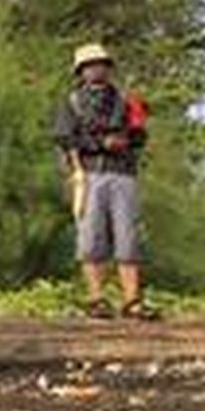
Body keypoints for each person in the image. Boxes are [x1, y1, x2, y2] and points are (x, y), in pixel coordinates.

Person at [54, 43, 156, 320]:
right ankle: (96, 298)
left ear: (108, 68)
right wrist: (101, 143)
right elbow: (65, 138)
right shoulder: (71, 102)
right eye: (89, 65)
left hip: (123, 173)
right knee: (90, 238)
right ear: (81, 71)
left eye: (100, 63)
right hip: (88, 175)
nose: (95, 69)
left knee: (128, 236)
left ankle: (132, 300)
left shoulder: (126, 100)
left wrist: (128, 138)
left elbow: (140, 136)